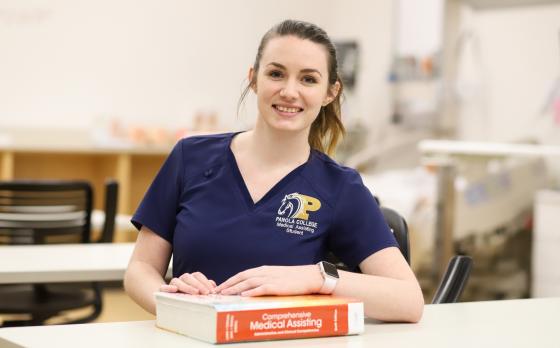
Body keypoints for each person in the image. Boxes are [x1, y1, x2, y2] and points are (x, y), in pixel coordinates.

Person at [124, 19, 424, 323]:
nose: (289, 91)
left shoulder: (339, 187)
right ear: (254, 79)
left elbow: (408, 300)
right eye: (276, 74)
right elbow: (141, 269)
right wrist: (170, 301)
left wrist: (317, 278)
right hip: (191, 337)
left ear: (330, 93)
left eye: (308, 79)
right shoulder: (191, 158)